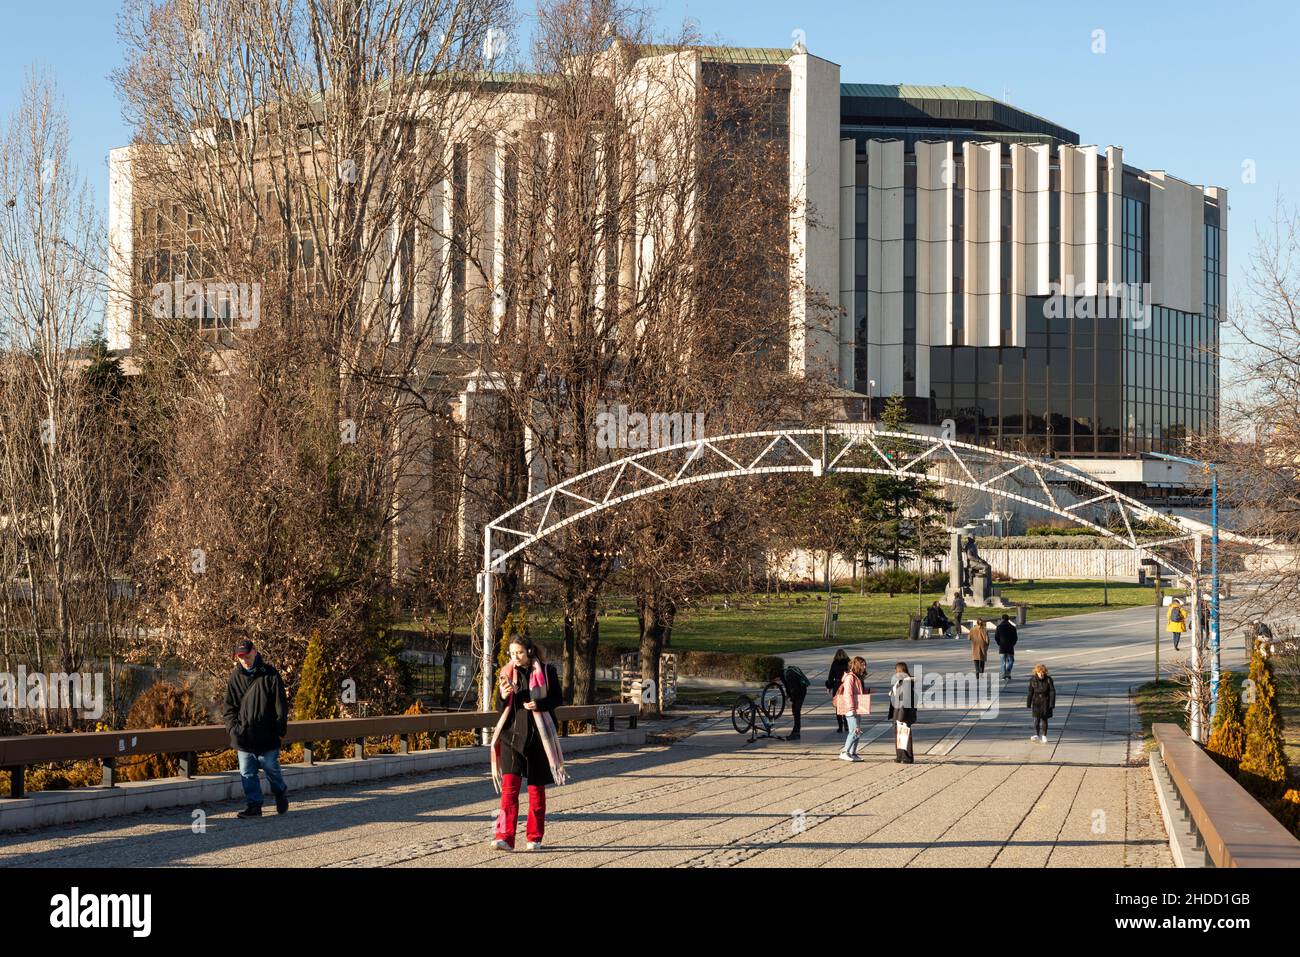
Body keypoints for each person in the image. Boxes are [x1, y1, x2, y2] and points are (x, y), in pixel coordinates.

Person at [490, 637, 565, 851]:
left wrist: (539, 704)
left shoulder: (547, 671)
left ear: (530, 651)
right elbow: (499, 707)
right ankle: (503, 836)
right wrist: (504, 696)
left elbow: (558, 699)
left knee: (535, 791)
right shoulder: (506, 673)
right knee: (509, 791)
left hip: (539, 740)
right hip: (511, 738)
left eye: (519, 653)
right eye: (512, 654)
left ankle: (534, 838)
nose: (515, 658)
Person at [222, 638, 290, 819]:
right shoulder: (235, 677)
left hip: (268, 735)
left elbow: (280, 707)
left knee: (270, 767)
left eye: (247, 655)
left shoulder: (270, 674)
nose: (244, 659)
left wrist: (279, 731)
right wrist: (233, 730)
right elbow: (229, 708)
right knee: (247, 772)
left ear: (255, 651)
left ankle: (280, 791)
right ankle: (254, 806)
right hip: (243, 736)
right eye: (240, 657)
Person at [834, 656, 869, 762]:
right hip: (851, 708)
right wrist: (851, 707)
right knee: (854, 731)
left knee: (857, 731)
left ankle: (853, 753)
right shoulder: (850, 677)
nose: (864, 667)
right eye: (862, 664)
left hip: (856, 708)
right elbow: (848, 694)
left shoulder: (857, 677)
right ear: (857, 665)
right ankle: (845, 752)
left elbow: (856, 692)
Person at [888, 662, 918, 763]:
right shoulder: (900, 682)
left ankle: (907, 757)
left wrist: (901, 718)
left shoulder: (907, 683)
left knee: (905, 736)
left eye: (896, 670)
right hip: (897, 711)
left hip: (904, 713)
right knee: (898, 735)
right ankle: (900, 756)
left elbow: (905, 702)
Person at [1026, 663, 1057, 743]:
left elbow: (1052, 691)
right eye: (1039, 672)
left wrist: (1052, 703)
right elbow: (1030, 692)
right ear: (1036, 672)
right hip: (1036, 702)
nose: (1041, 674)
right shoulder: (1032, 680)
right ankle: (1036, 735)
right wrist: (1028, 703)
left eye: (1043, 672)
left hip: (1045, 702)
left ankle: (1044, 736)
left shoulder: (1049, 679)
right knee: (1036, 719)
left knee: (1044, 719)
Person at [782, 663, 810, 740]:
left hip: (801, 690)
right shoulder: (784, 674)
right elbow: (788, 688)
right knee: (795, 711)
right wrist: (788, 696)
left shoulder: (789, 675)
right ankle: (796, 732)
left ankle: (796, 733)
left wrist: (791, 699)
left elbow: (794, 689)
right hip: (800, 689)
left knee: (796, 710)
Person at [826, 649, 851, 734]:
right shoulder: (848, 662)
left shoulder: (835, 663)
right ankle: (847, 724)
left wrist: (829, 686)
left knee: (838, 707)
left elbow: (830, 676)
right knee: (846, 706)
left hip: (837, 686)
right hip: (846, 685)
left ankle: (840, 726)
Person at [994, 614, 1018, 682]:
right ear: (1008, 619)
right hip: (1010, 647)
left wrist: (999, 643)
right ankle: (1008, 672)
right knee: (1011, 661)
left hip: (1002, 647)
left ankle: (1004, 674)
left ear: (1002, 619)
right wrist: (1012, 644)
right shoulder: (1012, 627)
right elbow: (1015, 638)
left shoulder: (999, 627)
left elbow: (996, 637)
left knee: (1003, 662)